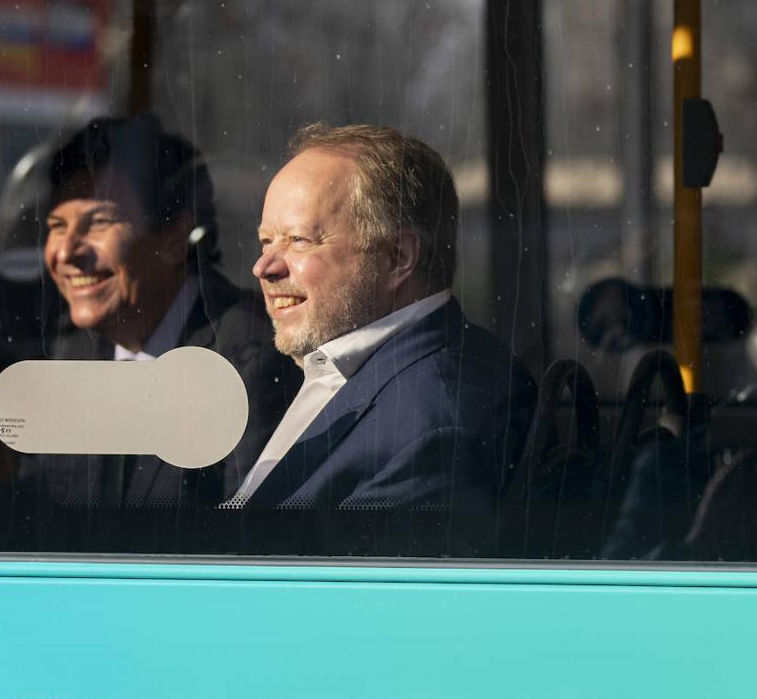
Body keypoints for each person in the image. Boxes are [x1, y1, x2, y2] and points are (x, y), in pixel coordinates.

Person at [227, 124, 536, 528]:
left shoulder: (430, 426)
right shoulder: (348, 370)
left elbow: (333, 590)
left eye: (299, 240)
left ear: (397, 257)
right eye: (267, 241)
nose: (263, 266)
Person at [18, 114, 300, 507]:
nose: (66, 252)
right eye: (57, 226)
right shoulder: (73, 348)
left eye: (98, 223)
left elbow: (242, 548)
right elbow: (35, 511)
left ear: (172, 237)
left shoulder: (247, 359)